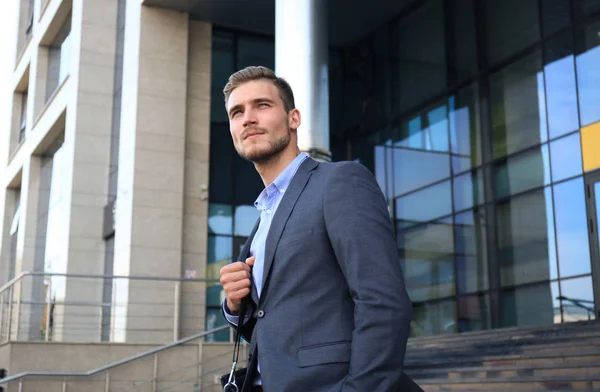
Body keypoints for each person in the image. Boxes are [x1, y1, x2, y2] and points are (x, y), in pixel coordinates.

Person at [219, 65, 415, 392]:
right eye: (237, 112)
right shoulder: (263, 218)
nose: (247, 118)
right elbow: (274, 330)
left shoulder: (339, 182)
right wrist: (234, 307)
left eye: (262, 106)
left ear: (293, 118)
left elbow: (383, 302)